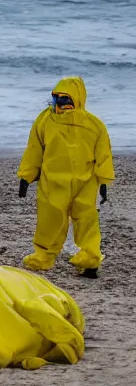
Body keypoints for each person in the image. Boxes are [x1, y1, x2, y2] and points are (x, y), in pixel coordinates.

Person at [17, 76, 115, 278]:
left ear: (77, 99)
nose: (60, 103)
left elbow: (103, 155)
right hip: (53, 181)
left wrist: (104, 182)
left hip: (86, 182)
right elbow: (35, 150)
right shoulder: (45, 120)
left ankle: (90, 258)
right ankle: (43, 256)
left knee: (87, 219)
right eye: (57, 98)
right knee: (49, 220)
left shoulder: (94, 126)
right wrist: (26, 176)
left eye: (65, 98)